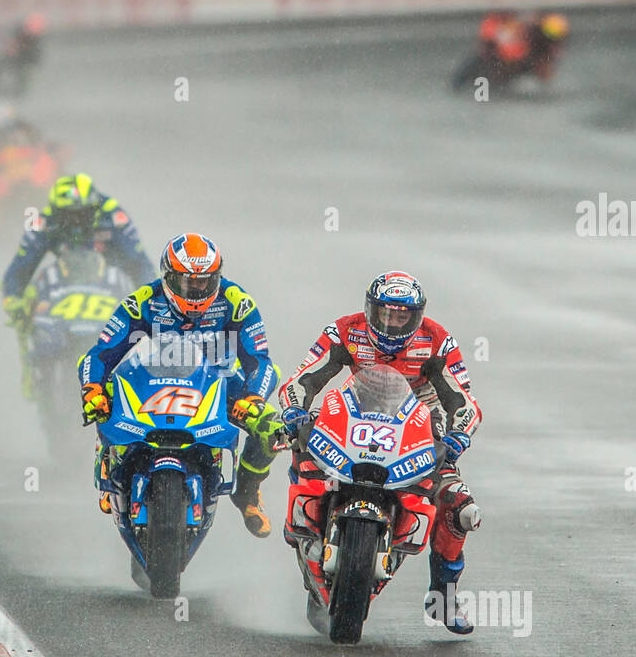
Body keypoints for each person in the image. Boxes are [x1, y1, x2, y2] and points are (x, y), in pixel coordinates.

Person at [277, 271, 483, 633]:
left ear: (416, 316)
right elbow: (302, 377)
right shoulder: (344, 330)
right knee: (302, 440)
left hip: (420, 421)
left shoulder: (437, 341)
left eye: (402, 316)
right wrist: (295, 409)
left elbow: (463, 400)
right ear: (370, 309)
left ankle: (444, 598)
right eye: (385, 313)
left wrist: (458, 435)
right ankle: (303, 529)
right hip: (355, 407)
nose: (392, 323)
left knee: (461, 508)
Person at [77, 233, 282, 536]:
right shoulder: (142, 301)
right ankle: (108, 462)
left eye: (205, 282)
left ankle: (247, 493)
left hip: (220, 381)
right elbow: (98, 355)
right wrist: (92, 389)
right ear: (169, 277)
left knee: (271, 428)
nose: (197, 290)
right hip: (152, 380)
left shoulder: (238, 303)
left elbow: (262, 362)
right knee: (103, 394)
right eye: (189, 282)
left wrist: (253, 397)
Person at [1, 174, 152, 316]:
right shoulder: (45, 222)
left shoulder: (113, 215)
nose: (76, 222)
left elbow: (139, 261)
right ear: (55, 211)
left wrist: (148, 301)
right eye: (68, 215)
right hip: (62, 290)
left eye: (82, 214)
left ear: (94, 208)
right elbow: (22, 264)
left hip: (110, 287)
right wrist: (13, 299)